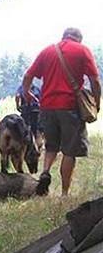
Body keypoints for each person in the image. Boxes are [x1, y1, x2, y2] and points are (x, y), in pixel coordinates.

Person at [23, 27, 101, 196]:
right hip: (69, 107)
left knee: (51, 146)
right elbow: (95, 80)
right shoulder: (82, 50)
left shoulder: (47, 51)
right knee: (69, 150)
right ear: (78, 39)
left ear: (64, 36)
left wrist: (27, 92)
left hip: (47, 106)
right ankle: (65, 193)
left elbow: (28, 76)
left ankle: (45, 172)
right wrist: (97, 102)